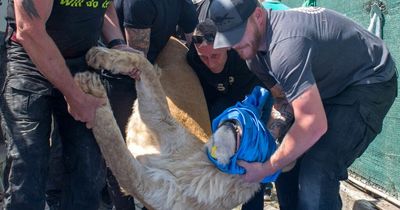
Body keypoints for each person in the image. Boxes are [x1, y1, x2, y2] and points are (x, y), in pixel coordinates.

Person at [209, 0, 398, 210]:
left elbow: (313, 124)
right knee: (285, 156)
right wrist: (270, 140)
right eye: (228, 37)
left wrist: (266, 167)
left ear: (258, 15)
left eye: (237, 33)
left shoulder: (286, 46)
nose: (234, 45)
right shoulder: (252, 55)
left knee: (318, 166)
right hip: (329, 84)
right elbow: (283, 98)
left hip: (369, 79)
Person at [0, 1, 138, 210]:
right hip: (30, 60)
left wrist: (117, 42)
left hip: (81, 60)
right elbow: (28, 30)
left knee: (87, 169)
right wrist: (75, 97)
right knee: (27, 167)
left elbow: (105, 7)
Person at [186, 19, 293, 210]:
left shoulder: (246, 56)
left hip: (258, 98)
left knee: (253, 154)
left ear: (227, 46)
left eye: (215, 55)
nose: (210, 63)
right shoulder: (193, 59)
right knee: (216, 150)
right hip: (225, 104)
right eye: (204, 57)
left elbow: (277, 92)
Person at [114, 0, 198, 63]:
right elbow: (138, 62)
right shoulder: (140, 3)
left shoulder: (183, 2)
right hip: (123, 66)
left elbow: (196, 46)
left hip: (155, 59)